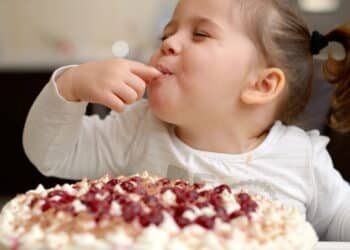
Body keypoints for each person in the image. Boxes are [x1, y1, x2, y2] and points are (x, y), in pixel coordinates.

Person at [23, 0, 350, 241]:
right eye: (167, 33)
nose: (168, 43)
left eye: (200, 34)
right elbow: (52, 155)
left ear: (261, 85)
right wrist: (70, 86)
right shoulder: (137, 130)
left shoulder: (302, 160)